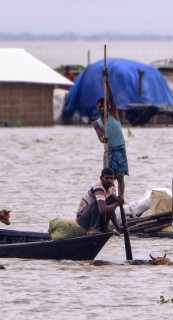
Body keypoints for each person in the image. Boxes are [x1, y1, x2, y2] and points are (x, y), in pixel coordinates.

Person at [93, 68, 129, 198]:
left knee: (120, 176)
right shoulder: (97, 123)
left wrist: (106, 80)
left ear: (108, 107)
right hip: (109, 151)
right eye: (100, 106)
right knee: (109, 178)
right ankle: (111, 196)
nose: (102, 108)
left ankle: (121, 197)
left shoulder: (113, 114)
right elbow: (99, 135)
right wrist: (103, 139)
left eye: (104, 105)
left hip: (119, 148)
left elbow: (111, 96)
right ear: (97, 107)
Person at [76, 167, 127, 235]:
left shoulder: (111, 189)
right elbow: (102, 209)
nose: (109, 180)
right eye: (107, 178)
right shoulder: (98, 189)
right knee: (99, 202)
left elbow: (112, 212)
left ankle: (104, 227)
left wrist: (118, 227)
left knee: (114, 198)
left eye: (111, 178)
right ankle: (92, 228)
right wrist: (117, 203)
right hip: (83, 218)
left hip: (94, 216)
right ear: (101, 178)